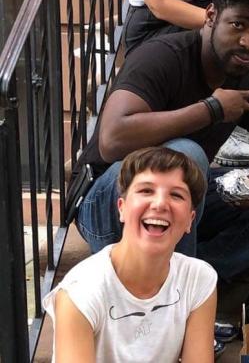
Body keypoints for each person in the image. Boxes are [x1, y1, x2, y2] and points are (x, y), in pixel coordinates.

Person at [72, 0, 249, 283]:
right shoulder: (162, 56)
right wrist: (211, 110)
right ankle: (176, 290)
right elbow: (112, 139)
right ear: (210, 16)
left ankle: (196, 280)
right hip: (111, 202)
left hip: (179, 207)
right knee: (184, 155)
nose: (248, 42)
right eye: (238, 25)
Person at [44, 147, 218, 362]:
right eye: (146, 191)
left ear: (191, 220)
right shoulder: (81, 293)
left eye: (176, 195)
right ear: (122, 209)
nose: (160, 204)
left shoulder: (198, 279)